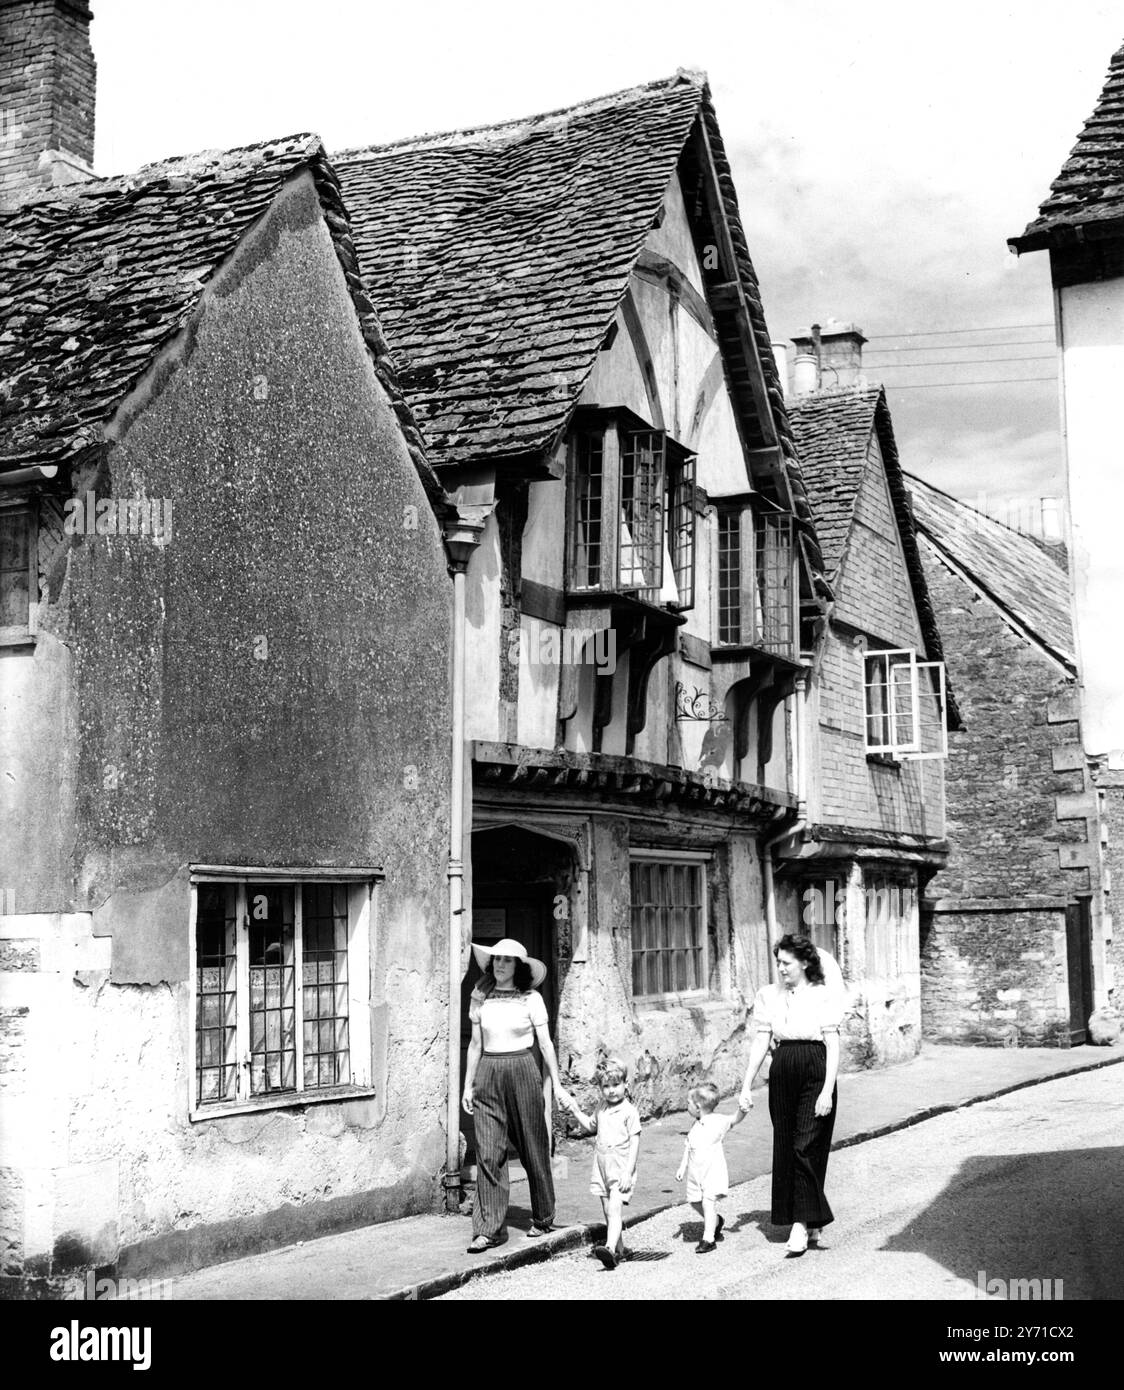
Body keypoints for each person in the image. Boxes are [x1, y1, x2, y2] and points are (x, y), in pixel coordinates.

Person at [461, 938, 572, 1253]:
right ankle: (489, 1230)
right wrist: (468, 1084)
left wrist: (558, 1084)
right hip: (489, 1072)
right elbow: (475, 1045)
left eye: (507, 961)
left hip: (522, 1068)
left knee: (532, 1145)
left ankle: (542, 1215)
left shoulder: (531, 998)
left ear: (518, 967)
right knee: (488, 1152)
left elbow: (546, 1044)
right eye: (496, 959)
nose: (499, 965)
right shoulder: (480, 996)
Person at [738, 933, 842, 1255]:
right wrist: (745, 1084)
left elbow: (833, 1044)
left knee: (805, 1145)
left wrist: (827, 1090)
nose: (781, 968)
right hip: (782, 1069)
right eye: (778, 962)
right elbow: (760, 1042)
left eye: (787, 962)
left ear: (805, 962)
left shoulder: (822, 995)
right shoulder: (768, 995)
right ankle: (812, 1220)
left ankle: (800, 1224)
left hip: (815, 1066)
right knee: (787, 1145)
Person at [565, 1057, 642, 1271]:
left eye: (616, 1085)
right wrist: (574, 1110)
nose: (611, 1091)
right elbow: (590, 1126)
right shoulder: (601, 1107)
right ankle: (621, 1250)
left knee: (615, 1209)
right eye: (606, 1086)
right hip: (601, 1167)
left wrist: (628, 1172)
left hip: (620, 1168)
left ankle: (608, 1247)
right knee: (608, 1210)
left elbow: (635, 1143)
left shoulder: (629, 1112)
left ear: (626, 1084)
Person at [675, 1081, 748, 1254]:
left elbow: (734, 1119)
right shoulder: (695, 1125)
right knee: (694, 1201)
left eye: (688, 1103)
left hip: (711, 1173)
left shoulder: (717, 1121)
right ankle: (715, 1221)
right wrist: (682, 1167)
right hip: (695, 1174)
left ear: (698, 1106)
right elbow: (688, 1147)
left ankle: (708, 1238)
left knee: (708, 1203)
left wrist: (742, 1110)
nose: (687, 1106)